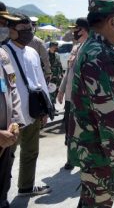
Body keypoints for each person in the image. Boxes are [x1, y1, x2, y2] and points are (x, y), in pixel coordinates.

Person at [68, 0, 114, 208]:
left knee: (91, 201)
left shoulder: (96, 48)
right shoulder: (99, 54)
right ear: (111, 21)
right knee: (98, 203)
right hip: (99, 150)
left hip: (97, 147)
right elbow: (106, 109)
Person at [3, 14, 52, 197]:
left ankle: (26, 187)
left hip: (32, 112)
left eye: (30, 29)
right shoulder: (3, 52)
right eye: (23, 30)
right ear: (11, 30)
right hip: (10, 116)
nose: (28, 33)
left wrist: (46, 108)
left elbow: (39, 81)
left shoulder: (32, 52)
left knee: (31, 152)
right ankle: (2, 194)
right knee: (7, 156)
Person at [57, 17, 89, 170]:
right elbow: (68, 72)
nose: (73, 32)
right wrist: (62, 90)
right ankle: (71, 159)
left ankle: (85, 159)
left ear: (83, 30)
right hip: (70, 97)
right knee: (69, 130)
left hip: (84, 99)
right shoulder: (76, 48)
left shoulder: (91, 49)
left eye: (76, 30)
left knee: (83, 130)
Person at [0, 11, 24, 208]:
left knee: (2, 183)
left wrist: (15, 122)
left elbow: (12, 90)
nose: (5, 28)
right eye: (1, 22)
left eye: (6, 23)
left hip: (6, 138)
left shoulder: (2, 55)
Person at [27, 17, 52, 83]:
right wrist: (48, 72)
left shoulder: (16, 39)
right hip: (33, 72)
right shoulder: (39, 41)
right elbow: (45, 59)